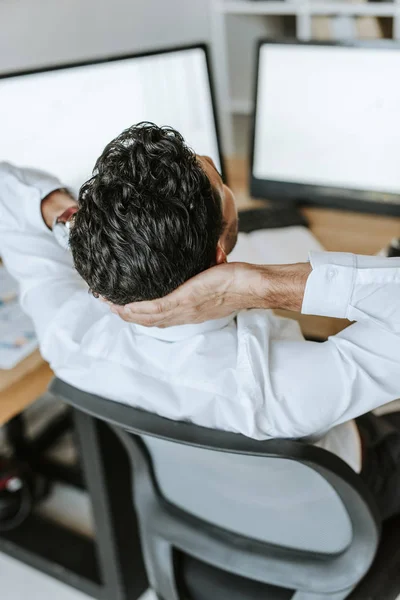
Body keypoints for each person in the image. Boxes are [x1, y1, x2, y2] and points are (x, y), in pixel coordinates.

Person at [0, 122, 399, 520]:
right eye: (222, 185)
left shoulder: (70, 338)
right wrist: (255, 286)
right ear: (221, 256)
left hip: (211, 508)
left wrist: (69, 217)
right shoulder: (280, 385)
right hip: (340, 507)